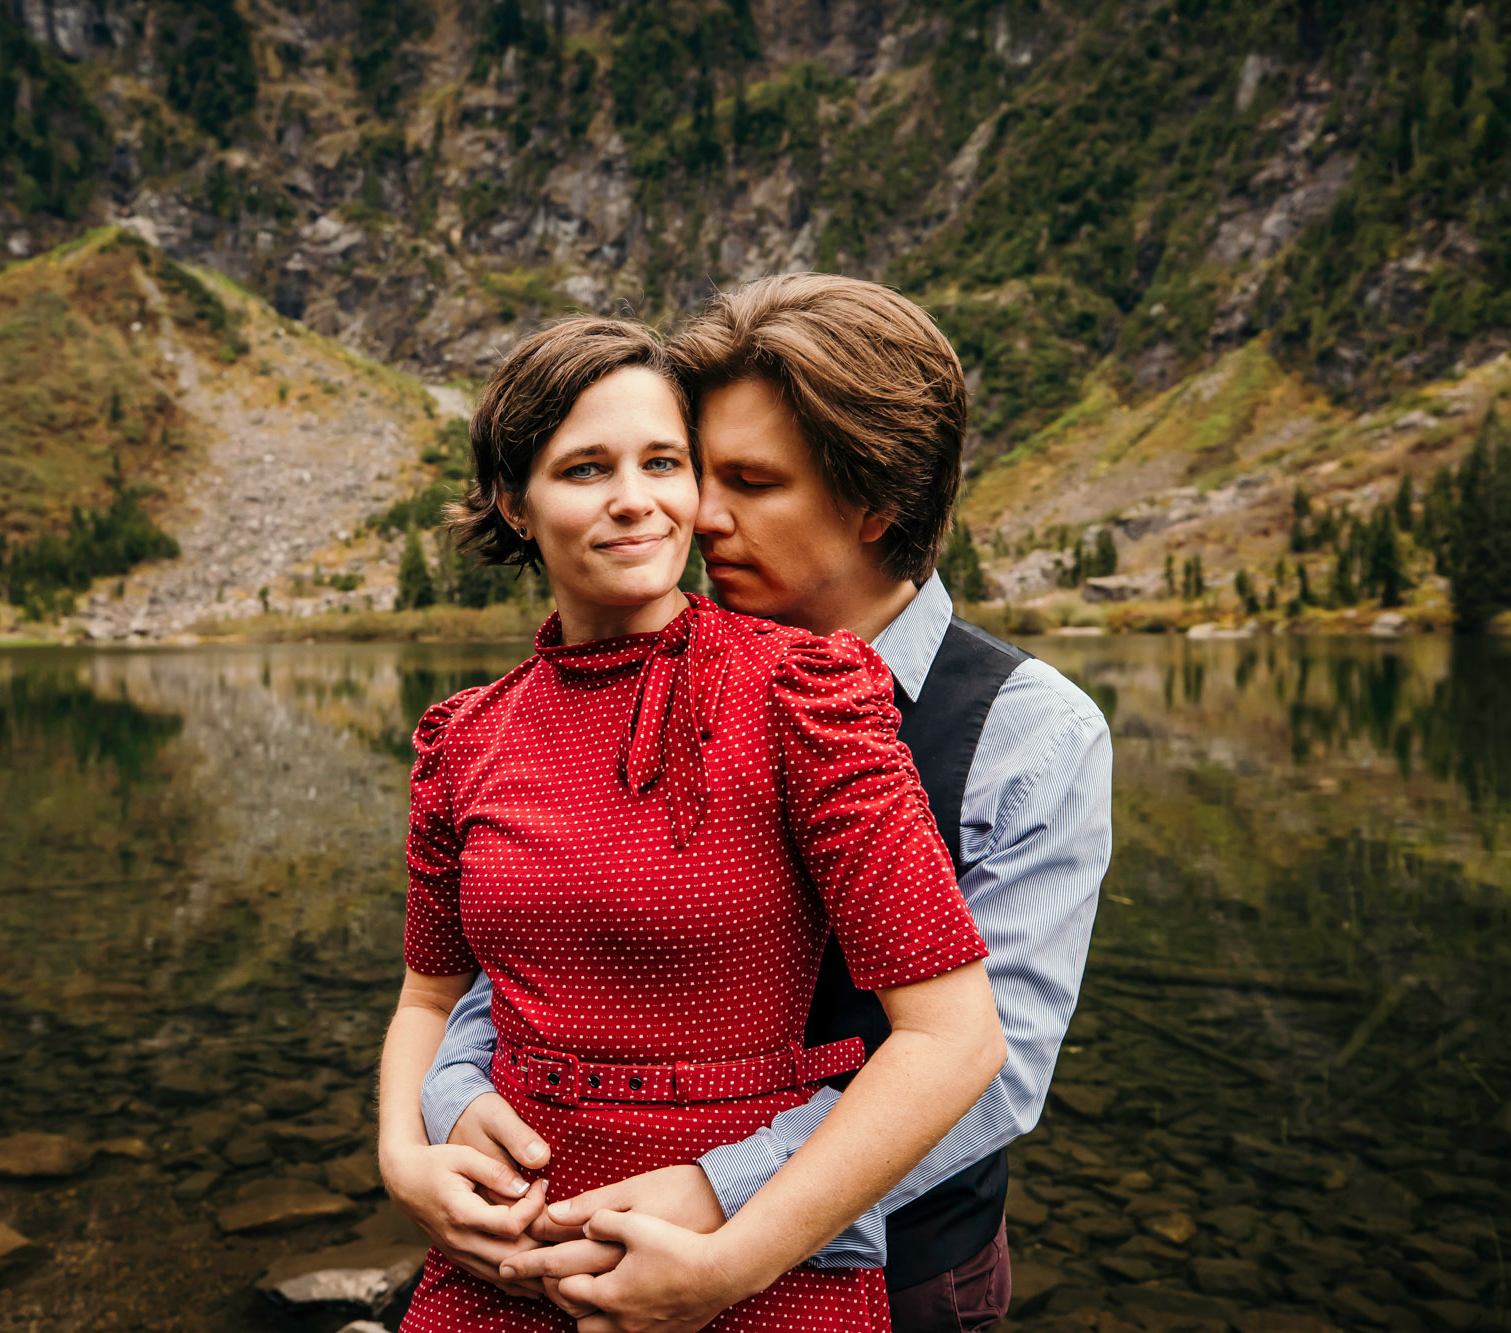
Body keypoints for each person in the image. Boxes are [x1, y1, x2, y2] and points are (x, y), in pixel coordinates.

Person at [400, 275, 1113, 1333]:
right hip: (595, 1236)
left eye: (752, 481)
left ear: (878, 502)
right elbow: (523, 959)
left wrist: (721, 1205)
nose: (700, 513)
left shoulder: (1027, 731)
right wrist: (442, 1116)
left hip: (896, 1271)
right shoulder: (610, 684)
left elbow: (987, 1069)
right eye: (704, 467)